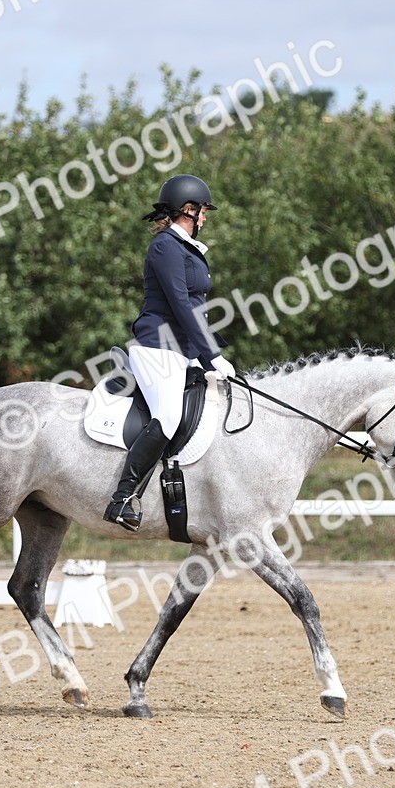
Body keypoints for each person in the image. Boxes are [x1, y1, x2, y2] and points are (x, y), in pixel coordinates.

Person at [103, 174, 237, 531]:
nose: (205, 218)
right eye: (203, 211)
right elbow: (180, 305)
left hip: (185, 350)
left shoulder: (186, 248)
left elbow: (196, 307)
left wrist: (208, 351)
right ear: (188, 210)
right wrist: (212, 357)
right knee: (170, 415)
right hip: (157, 348)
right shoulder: (165, 246)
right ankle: (122, 498)